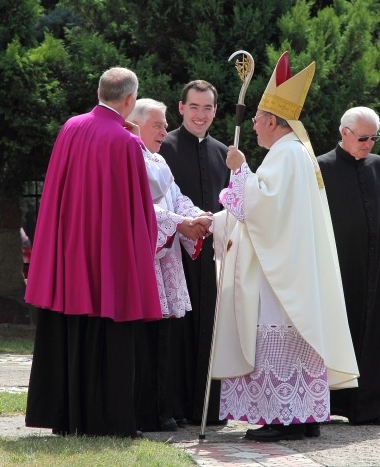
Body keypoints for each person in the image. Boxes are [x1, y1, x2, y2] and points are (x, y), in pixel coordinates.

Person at [210, 51, 360, 442]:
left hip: (280, 276)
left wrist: (240, 170)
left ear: (273, 121)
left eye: (259, 120)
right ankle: (304, 417)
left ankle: (281, 418)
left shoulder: (286, 154)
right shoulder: (296, 153)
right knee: (294, 342)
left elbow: (264, 208)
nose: (255, 125)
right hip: (293, 268)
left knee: (276, 338)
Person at [23, 67, 162, 438]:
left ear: (99, 91)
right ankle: (108, 420)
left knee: (71, 330)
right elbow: (139, 212)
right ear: (130, 101)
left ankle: (66, 418)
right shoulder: (127, 144)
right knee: (108, 333)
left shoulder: (70, 127)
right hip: (108, 261)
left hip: (70, 254)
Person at [128, 98, 212, 431]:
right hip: (142, 262)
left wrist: (197, 216)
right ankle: (144, 412)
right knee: (144, 339)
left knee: (166, 337)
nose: (165, 130)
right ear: (137, 125)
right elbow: (135, 207)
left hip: (166, 261)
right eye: (158, 124)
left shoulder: (159, 160)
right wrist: (179, 222)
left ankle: (164, 409)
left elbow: (176, 197)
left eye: (165, 124)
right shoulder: (128, 156)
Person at [316, 106, 380, 426]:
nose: (369, 143)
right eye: (363, 137)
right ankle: (328, 405)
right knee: (339, 332)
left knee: (375, 333)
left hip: (375, 265)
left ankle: (375, 407)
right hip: (337, 266)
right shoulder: (320, 168)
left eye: (374, 137)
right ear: (344, 133)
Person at [158, 80, 230, 426]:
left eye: (208, 108)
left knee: (213, 327)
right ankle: (174, 405)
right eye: (195, 107)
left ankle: (210, 408)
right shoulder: (164, 149)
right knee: (179, 329)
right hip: (176, 254)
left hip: (215, 254)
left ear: (216, 111)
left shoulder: (224, 152)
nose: (201, 115)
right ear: (181, 108)